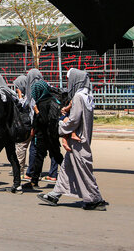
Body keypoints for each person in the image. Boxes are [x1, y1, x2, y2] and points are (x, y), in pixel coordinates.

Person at [37, 68, 108, 211]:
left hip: (78, 140)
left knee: (84, 170)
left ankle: (95, 199)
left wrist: (60, 126)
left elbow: (74, 120)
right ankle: (54, 194)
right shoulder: (87, 95)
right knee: (66, 168)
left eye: (70, 80)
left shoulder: (78, 97)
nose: (69, 83)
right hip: (81, 137)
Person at [23, 68, 59, 182]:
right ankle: (53, 174)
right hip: (52, 123)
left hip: (40, 125)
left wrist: (34, 126)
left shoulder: (34, 89)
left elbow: (30, 107)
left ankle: (31, 173)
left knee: (35, 149)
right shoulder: (46, 86)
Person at [26, 79, 64, 189]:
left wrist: (37, 111)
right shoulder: (52, 100)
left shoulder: (41, 103)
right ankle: (71, 177)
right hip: (52, 134)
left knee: (40, 157)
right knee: (57, 156)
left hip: (44, 134)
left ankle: (34, 181)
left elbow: (43, 120)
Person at [13, 75, 33, 174]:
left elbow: (23, 106)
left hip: (29, 125)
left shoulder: (30, 95)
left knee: (21, 147)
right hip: (28, 125)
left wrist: (20, 95)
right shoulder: (29, 94)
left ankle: (19, 169)